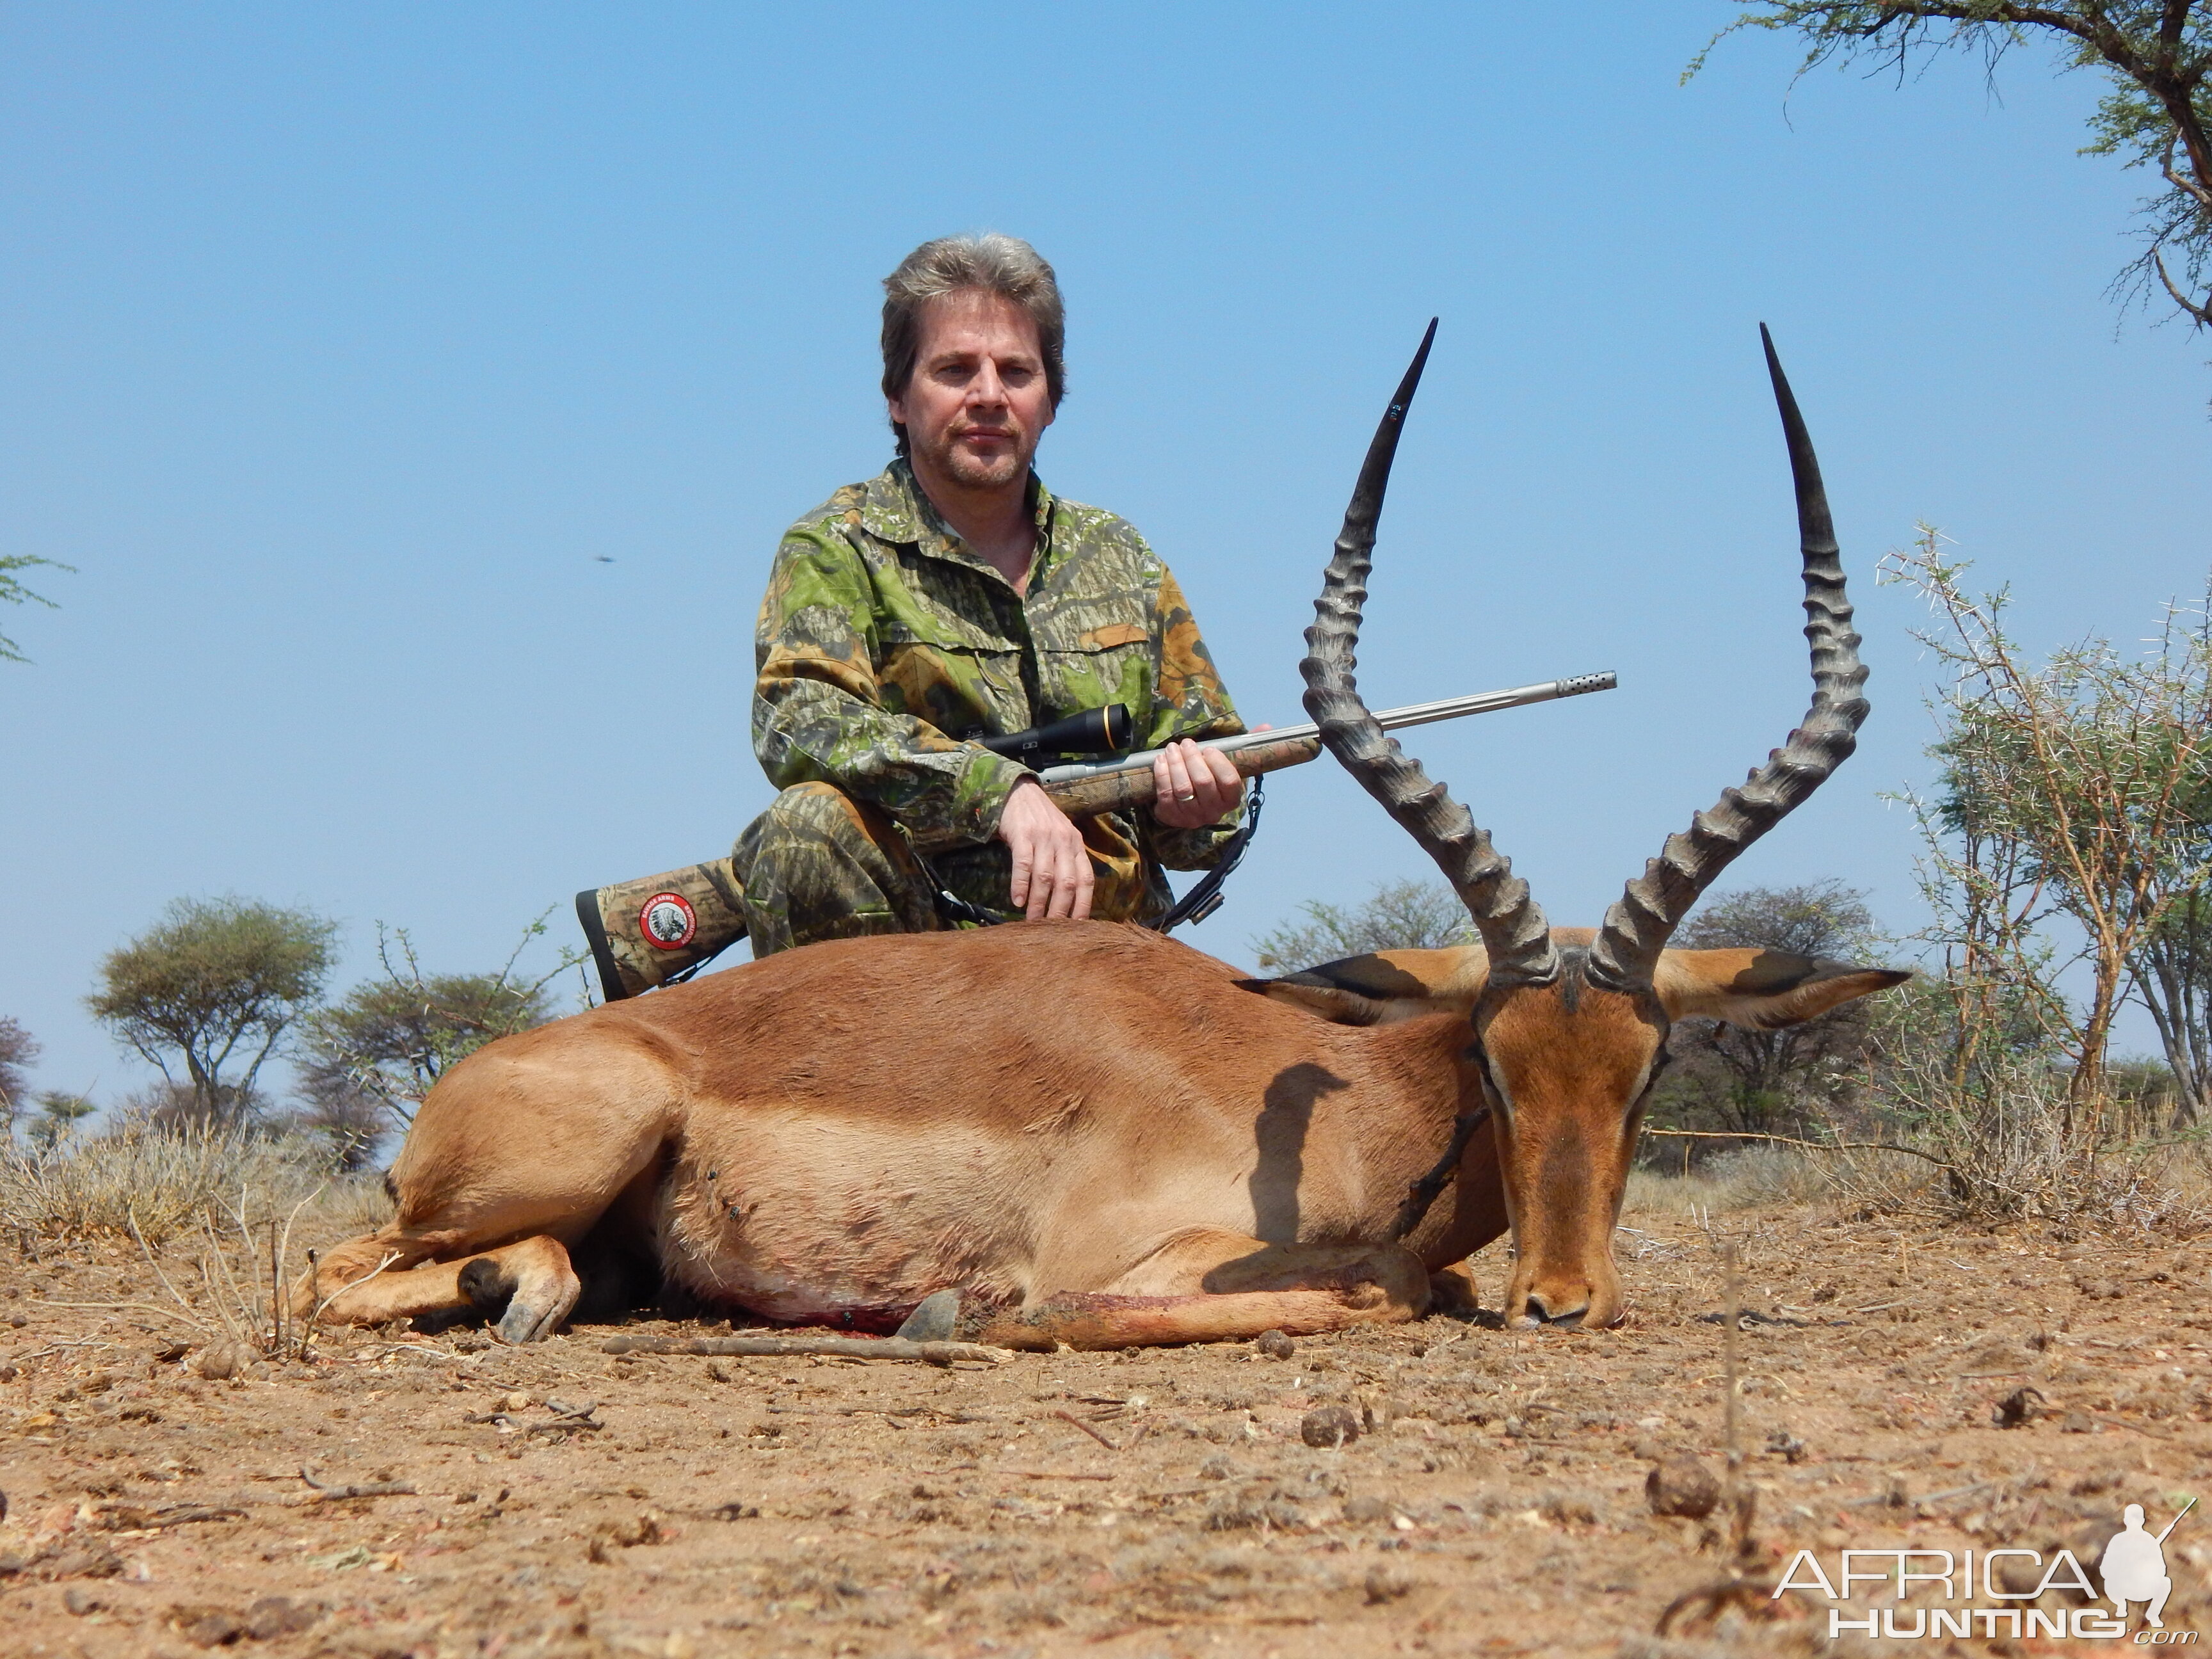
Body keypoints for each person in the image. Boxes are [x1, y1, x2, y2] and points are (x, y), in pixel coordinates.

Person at [577, 234, 1249, 999]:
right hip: (915, 977)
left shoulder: (1122, 555)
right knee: (807, 824)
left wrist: (1201, 801)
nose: (989, 395)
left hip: (1109, 971)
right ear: (899, 397)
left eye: (1018, 372)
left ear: (1051, 400)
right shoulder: (836, 545)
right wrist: (998, 791)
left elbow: (1199, 826)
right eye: (955, 369)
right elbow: (798, 717)